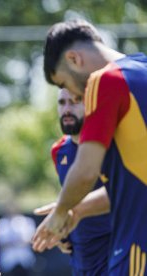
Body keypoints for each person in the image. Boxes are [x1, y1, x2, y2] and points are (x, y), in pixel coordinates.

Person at [32, 19, 147, 275]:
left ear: (74, 59)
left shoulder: (104, 80)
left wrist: (60, 213)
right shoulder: (143, 67)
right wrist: (76, 210)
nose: (72, 93)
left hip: (138, 246)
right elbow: (134, 181)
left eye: (64, 83)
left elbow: (85, 171)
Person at [34, 88, 110, 275]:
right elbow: (69, 197)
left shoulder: (113, 144)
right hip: (81, 260)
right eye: (62, 103)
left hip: (116, 255)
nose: (67, 109)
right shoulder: (58, 150)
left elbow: (128, 194)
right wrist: (62, 231)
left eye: (75, 101)